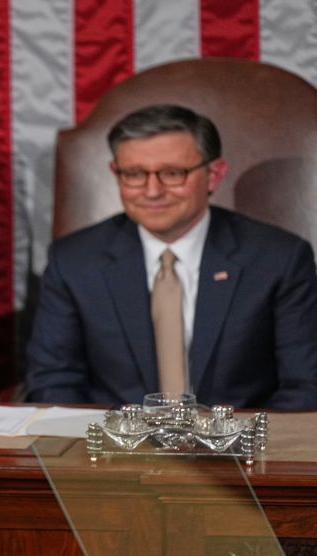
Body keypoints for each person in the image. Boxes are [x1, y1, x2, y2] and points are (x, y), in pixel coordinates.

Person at [26, 104, 317, 409]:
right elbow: (53, 382)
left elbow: (305, 385)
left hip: (237, 447)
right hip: (117, 448)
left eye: (172, 173)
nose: (152, 191)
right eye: (135, 174)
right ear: (116, 173)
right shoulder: (74, 261)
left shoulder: (278, 259)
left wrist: (235, 446)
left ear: (214, 175)